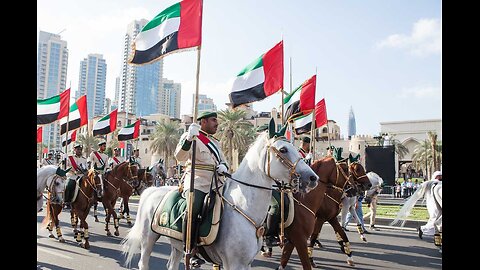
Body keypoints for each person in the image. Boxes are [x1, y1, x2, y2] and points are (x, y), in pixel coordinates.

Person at [174, 111, 229, 267]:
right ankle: (189, 250)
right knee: (193, 208)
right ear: (203, 122)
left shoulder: (215, 142)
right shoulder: (191, 136)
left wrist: (224, 166)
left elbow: (223, 160)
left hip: (217, 183)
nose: (217, 123)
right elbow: (180, 157)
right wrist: (189, 139)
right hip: (197, 182)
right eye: (213, 120)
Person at [418, 171, 442, 240]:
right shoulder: (433, 185)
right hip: (434, 205)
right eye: (438, 176)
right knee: (436, 222)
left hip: (436, 206)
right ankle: (422, 229)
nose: (440, 178)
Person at [64, 143, 88, 208]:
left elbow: (86, 169)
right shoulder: (70, 158)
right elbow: (67, 168)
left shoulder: (84, 159)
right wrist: (74, 171)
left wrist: (84, 172)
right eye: (78, 149)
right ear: (74, 150)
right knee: (69, 185)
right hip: (72, 175)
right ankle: (67, 201)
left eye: (80, 149)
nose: (79, 151)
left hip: (81, 176)